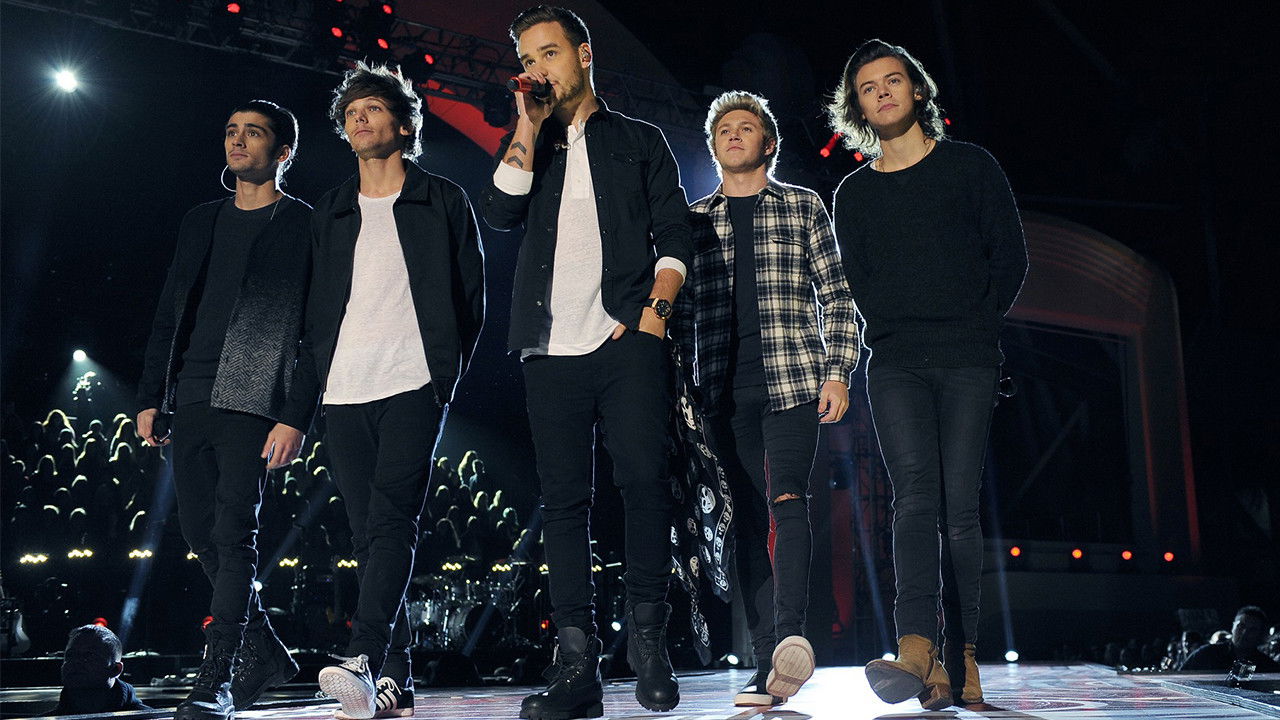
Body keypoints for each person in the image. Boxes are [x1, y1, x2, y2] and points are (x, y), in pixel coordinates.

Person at [481, 5, 692, 718]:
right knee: (564, 503)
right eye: (527, 58)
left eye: (549, 52)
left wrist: (654, 315)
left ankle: (650, 648)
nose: (537, 68)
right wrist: (528, 125)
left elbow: (675, 234)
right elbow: (500, 212)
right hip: (548, 348)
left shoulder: (639, 140)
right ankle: (578, 668)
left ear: (584, 53)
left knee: (644, 484)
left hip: (626, 337)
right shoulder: (530, 144)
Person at [827, 39, 1028, 710]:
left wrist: (976, 323)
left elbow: (1011, 256)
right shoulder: (854, 193)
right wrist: (900, 327)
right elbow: (860, 282)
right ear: (858, 108)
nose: (882, 92)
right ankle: (917, 647)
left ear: (917, 90)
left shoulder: (971, 166)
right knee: (913, 499)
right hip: (896, 363)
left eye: (892, 80)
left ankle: (961, 657)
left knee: (958, 509)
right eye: (867, 87)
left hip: (969, 358)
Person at [284, 62, 485, 720]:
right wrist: (302, 402)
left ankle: (362, 655)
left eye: (371, 108)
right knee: (368, 535)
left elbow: (471, 298)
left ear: (403, 125)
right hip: (343, 390)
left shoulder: (443, 199)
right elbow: (313, 311)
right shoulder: (331, 210)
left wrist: (442, 377)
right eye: (350, 113)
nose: (358, 119)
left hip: (411, 383)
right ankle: (393, 682)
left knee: (393, 519)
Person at [672, 91, 858, 707]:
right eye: (723, 128)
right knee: (746, 521)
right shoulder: (695, 220)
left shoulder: (803, 206)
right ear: (713, 146)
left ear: (769, 143)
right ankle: (766, 660)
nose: (733, 134)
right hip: (721, 392)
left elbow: (837, 295)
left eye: (745, 126)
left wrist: (838, 372)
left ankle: (789, 642)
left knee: (788, 503)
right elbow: (683, 312)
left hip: (792, 382)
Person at [136, 99, 309, 720]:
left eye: (253, 133)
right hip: (190, 394)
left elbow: (318, 329)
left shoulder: (303, 224)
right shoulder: (201, 219)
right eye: (232, 130)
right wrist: (151, 395)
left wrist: (296, 414)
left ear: (282, 152)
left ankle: (218, 677)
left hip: (254, 398)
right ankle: (265, 650)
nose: (238, 140)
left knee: (234, 536)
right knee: (198, 533)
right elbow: (169, 310)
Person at [45, 625, 153, 716]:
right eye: (70, 655)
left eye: (89, 656)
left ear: (116, 669)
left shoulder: (149, 718)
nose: (76, 662)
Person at [1181, 607, 1280, 672]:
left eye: (1252, 629)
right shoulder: (1206, 654)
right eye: (1241, 626)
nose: (1244, 633)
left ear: (1260, 634)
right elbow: (1180, 679)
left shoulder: (1267, 666)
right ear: (1232, 627)